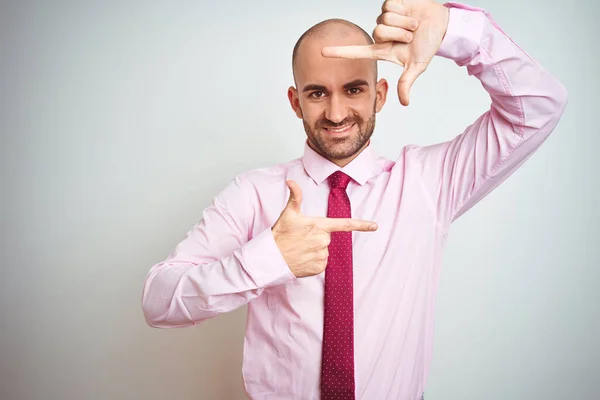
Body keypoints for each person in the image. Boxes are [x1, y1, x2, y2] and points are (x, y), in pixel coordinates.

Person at [141, 0, 568, 398]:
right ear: (295, 102)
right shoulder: (252, 194)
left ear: (379, 94)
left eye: (354, 89)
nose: (337, 113)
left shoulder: (430, 182)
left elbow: (539, 106)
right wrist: (266, 259)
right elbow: (159, 300)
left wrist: (460, 33)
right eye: (316, 93)